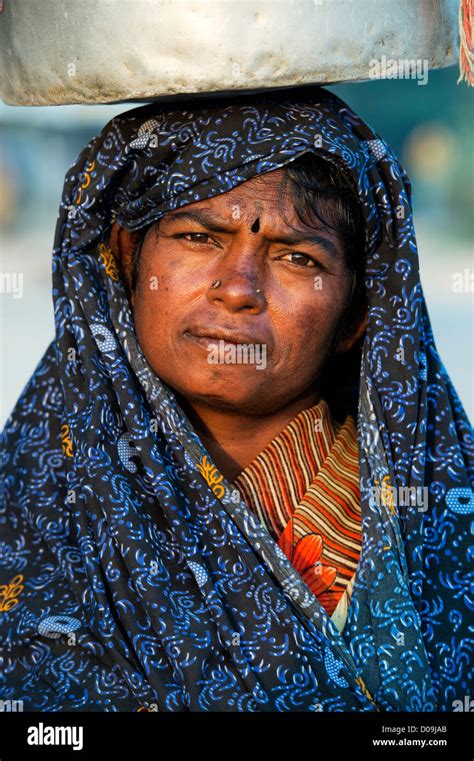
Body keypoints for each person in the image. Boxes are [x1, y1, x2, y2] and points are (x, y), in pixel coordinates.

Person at [1, 86, 472, 712]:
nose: (238, 289)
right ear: (125, 256)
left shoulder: (436, 528)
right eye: (199, 238)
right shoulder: (32, 509)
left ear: (358, 313)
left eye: (297, 256)